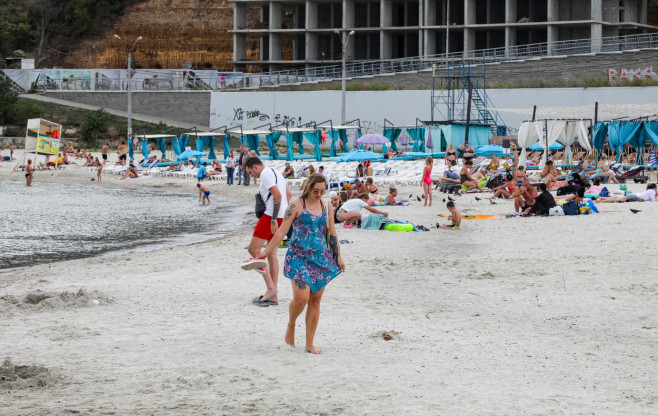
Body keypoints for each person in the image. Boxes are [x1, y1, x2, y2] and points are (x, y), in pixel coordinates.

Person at [257, 173, 345, 354]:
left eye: (322, 191)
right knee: (302, 298)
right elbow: (281, 232)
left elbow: (332, 233)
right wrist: (265, 252)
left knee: (316, 299)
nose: (319, 194)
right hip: (298, 256)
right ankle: (291, 323)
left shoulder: (326, 205)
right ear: (308, 188)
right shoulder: (296, 205)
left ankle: (309, 344)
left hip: (320, 258)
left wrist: (338, 256)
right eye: (316, 191)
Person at [243, 156, 292, 306]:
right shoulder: (276, 173)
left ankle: (271, 288)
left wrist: (272, 219)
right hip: (281, 215)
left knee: (254, 250)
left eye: (251, 172)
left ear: (255, 167)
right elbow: (288, 194)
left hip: (271, 215)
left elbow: (277, 195)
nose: (252, 176)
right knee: (271, 254)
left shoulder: (264, 174)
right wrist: (282, 212)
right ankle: (273, 295)